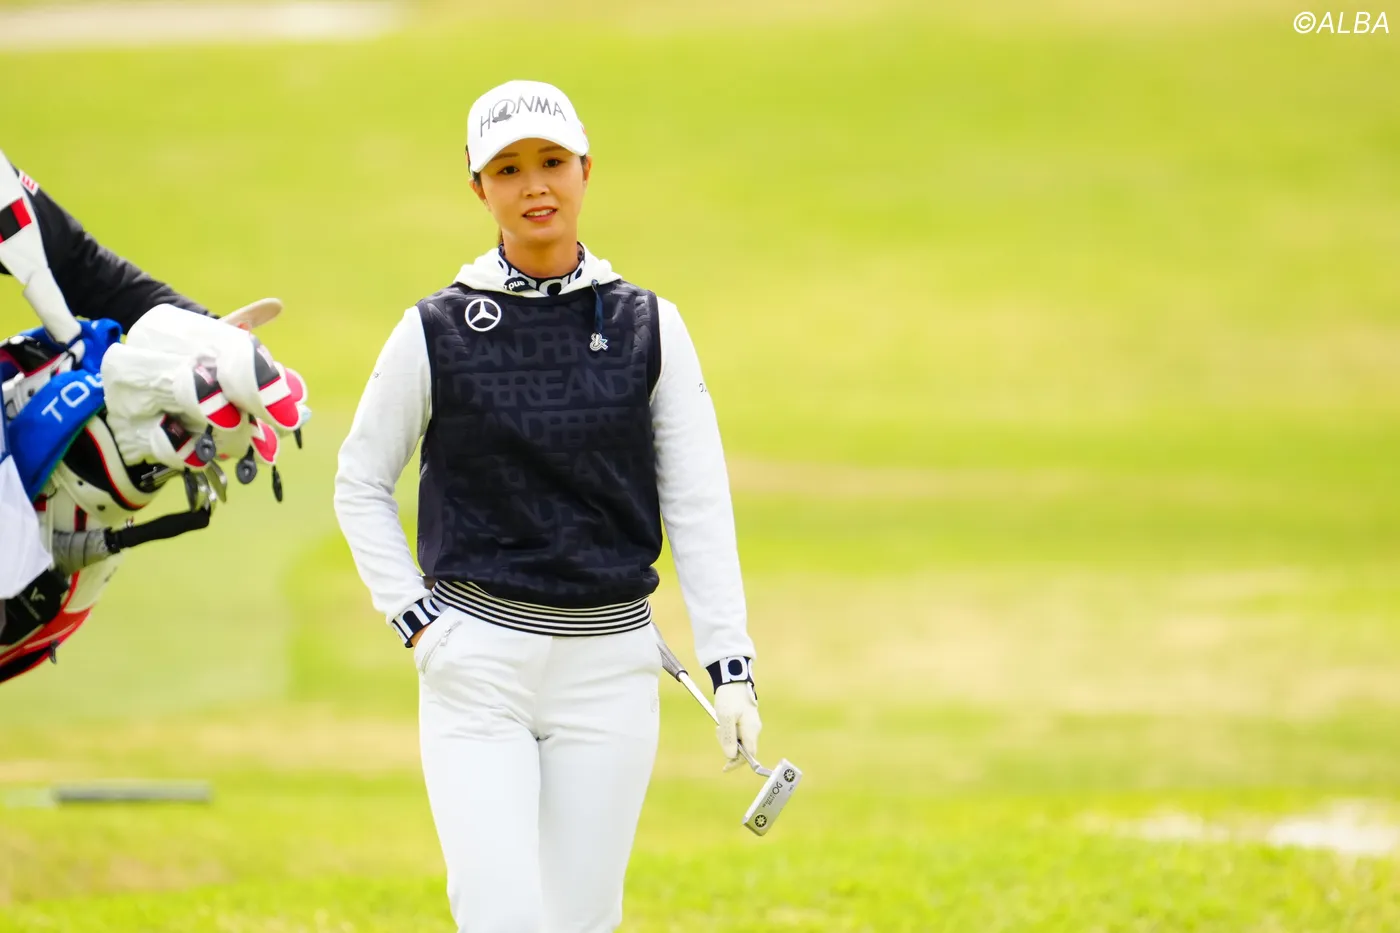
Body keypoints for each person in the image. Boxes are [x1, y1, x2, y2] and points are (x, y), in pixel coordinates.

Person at [333, 79, 762, 932]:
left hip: (610, 666)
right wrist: (418, 623)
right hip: (476, 663)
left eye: (552, 162)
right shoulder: (435, 328)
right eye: (508, 169)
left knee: (581, 917)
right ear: (478, 187)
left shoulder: (650, 325)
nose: (535, 185)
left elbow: (698, 501)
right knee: (496, 911)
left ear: (585, 169)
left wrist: (732, 665)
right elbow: (360, 480)